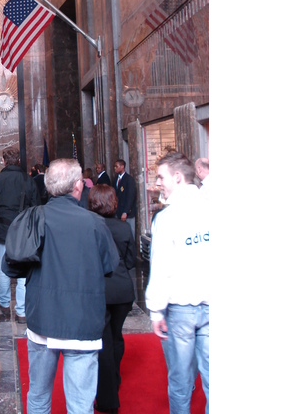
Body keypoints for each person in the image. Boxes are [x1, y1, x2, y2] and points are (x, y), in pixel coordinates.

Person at [24, 159, 119, 413]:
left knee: (38, 396)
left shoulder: (34, 218)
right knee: (80, 404)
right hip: (82, 321)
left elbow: (12, 265)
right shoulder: (95, 224)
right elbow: (110, 266)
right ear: (78, 186)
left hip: (43, 317)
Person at [145, 152, 210, 414]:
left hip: (180, 308)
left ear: (179, 177)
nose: (158, 182)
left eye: (161, 177)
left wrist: (156, 310)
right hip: (212, 301)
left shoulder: (167, 218)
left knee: (181, 382)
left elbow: (160, 268)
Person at [89, 184, 136, 414]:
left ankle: (108, 399)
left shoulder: (90, 227)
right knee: (116, 337)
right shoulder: (124, 228)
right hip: (123, 291)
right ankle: (114, 380)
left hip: (101, 290)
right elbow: (130, 261)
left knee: (104, 342)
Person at [0, 148, 40, 323]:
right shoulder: (28, 180)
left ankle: (5, 304)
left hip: (4, 230)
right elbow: (36, 207)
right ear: (19, 161)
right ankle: (22, 311)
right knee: (24, 271)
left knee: (3, 269)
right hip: (24, 231)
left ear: (3, 160)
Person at [113, 159, 137, 239]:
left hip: (127, 213)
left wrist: (126, 211)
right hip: (118, 211)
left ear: (122, 166)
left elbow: (130, 196)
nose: (115, 168)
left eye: (116, 166)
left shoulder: (129, 179)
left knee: (130, 234)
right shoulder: (115, 179)